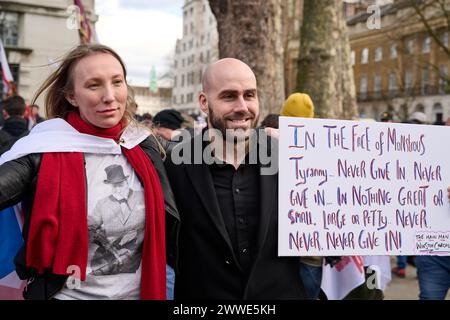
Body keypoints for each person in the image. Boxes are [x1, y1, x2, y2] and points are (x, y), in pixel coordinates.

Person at [0, 44, 179, 300]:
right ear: (72, 96)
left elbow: (213, 156)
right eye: (94, 85)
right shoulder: (42, 149)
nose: (110, 96)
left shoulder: (144, 144)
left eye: (117, 82)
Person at [165, 58, 307, 299]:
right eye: (229, 96)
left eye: (249, 95)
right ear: (203, 101)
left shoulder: (292, 159)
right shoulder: (175, 166)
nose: (242, 106)